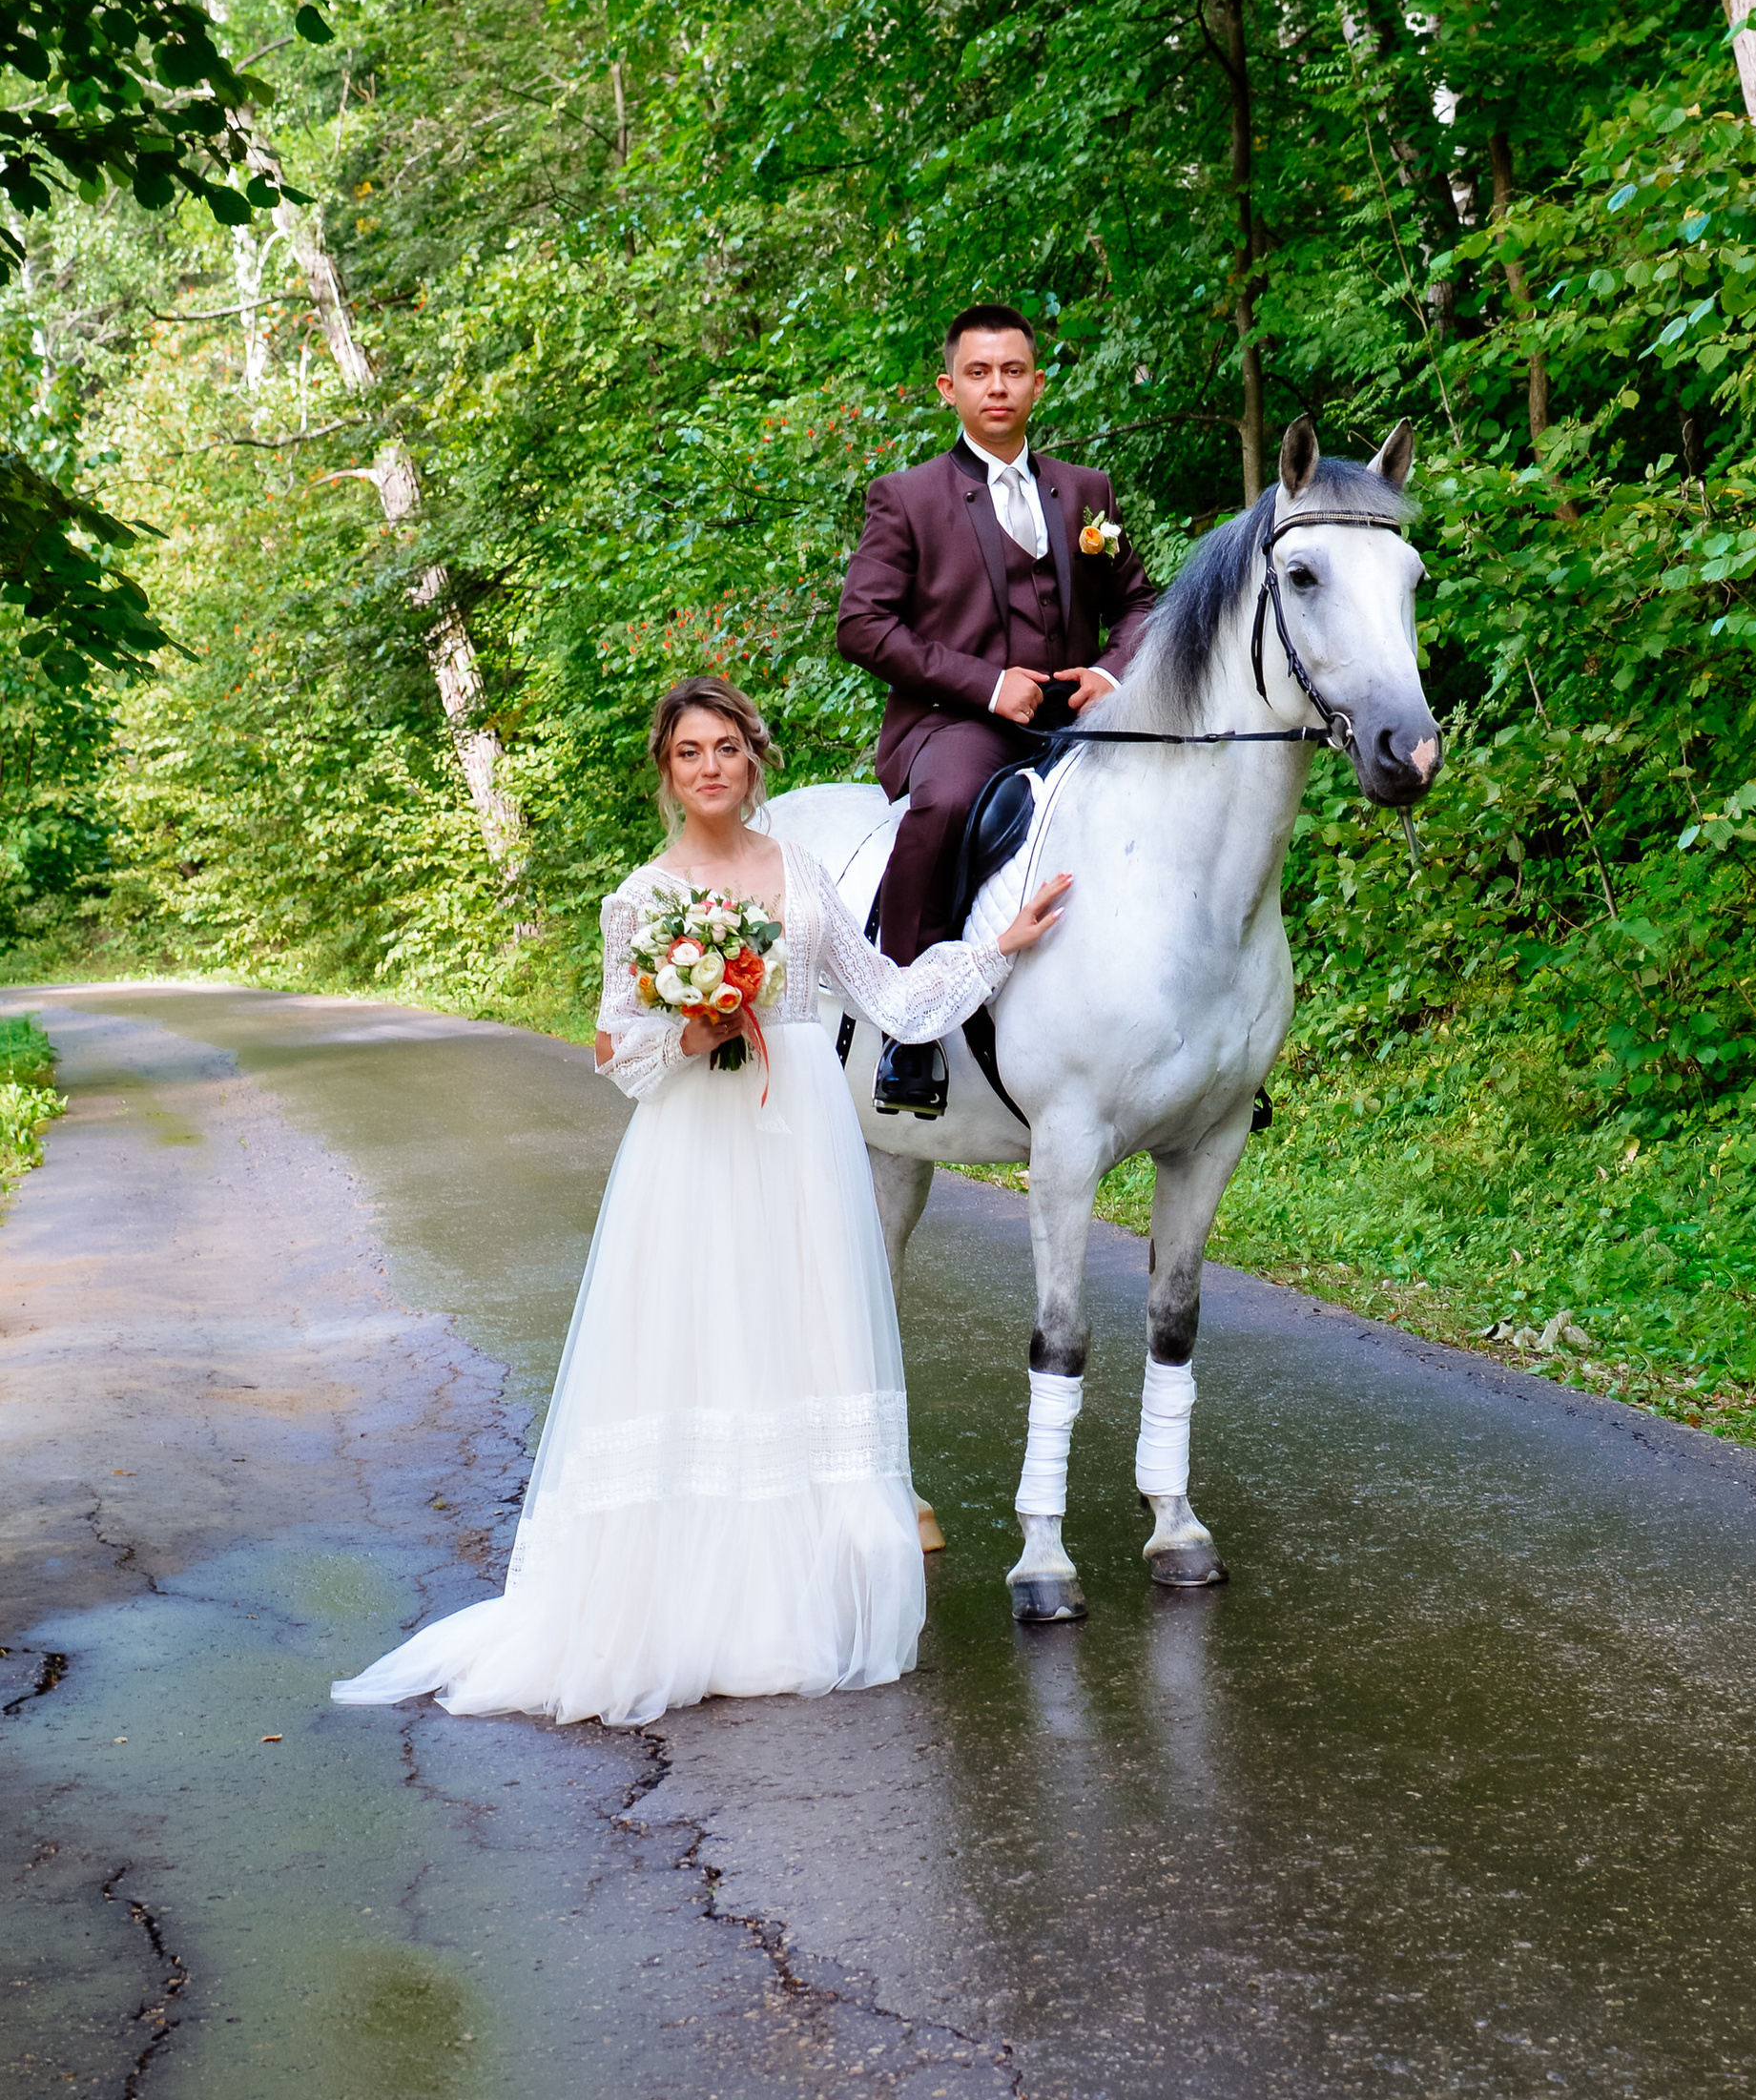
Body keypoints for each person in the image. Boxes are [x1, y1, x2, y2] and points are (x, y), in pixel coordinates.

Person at [332, 676, 1071, 1729]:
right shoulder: (644, 893)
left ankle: (793, 1602)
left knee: (800, 1334)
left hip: (807, 1125)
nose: (710, 765)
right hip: (700, 1137)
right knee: (708, 1335)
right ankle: (687, 1605)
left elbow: (891, 996)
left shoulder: (800, 870)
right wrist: (694, 1029)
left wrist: (998, 948)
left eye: (725, 746)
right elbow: (611, 1046)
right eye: (689, 752)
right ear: (667, 772)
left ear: (753, 758)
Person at [837, 303, 1157, 1118]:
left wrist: (1114, 674)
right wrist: (985, 684)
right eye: (978, 373)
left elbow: (1141, 605)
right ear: (949, 387)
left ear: (1038, 383)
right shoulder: (905, 497)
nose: (997, 386)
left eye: (1013, 370)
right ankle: (908, 1036)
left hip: (1075, 715)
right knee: (943, 804)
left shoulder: (1087, 492)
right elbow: (862, 625)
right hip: (957, 719)